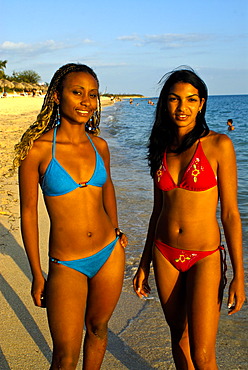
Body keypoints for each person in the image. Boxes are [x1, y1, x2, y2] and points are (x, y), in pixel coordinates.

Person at [14, 63, 127, 369]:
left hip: (108, 255)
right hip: (66, 263)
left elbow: (108, 189)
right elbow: (27, 214)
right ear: (56, 96)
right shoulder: (37, 151)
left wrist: (117, 232)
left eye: (92, 94)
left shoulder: (99, 146)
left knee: (98, 329)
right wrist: (37, 273)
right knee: (65, 357)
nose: (86, 101)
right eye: (77, 92)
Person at [133, 68, 245, 369]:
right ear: (165, 103)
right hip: (164, 253)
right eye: (174, 99)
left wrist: (239, 275)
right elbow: (158, 211)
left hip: (205, 256)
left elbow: (231, 214)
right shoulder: (160, 149)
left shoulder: (219, 145)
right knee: (178, 337)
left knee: (203, 355)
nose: (182, 107)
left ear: (202, 103)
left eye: (191, 100)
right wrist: (144, 263)